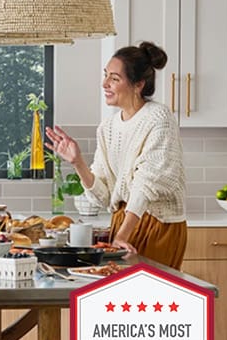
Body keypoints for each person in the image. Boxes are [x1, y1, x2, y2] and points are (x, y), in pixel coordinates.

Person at [45, 42, 187, 269]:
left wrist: (122, 236)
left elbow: (146, 185)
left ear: (138, 84)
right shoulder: (107, 127)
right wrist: (78, 162)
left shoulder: (159, 118)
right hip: (122, 222)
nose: (105, 84)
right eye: (105, 76)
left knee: (148, 300)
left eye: (114, 78)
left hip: (156, 223)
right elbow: (104, 196)